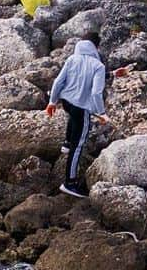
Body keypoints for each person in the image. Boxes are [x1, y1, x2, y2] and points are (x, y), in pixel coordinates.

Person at [46, 39, 108, 197]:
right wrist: (101, 113)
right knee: (78, 145)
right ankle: (69, 182)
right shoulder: (98, 66)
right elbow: (95, 93)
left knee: (72, 119)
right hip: (81, 108)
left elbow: (58, 82)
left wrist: (52, 102)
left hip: (66, 102)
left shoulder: (72, 59)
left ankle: (66, 143)